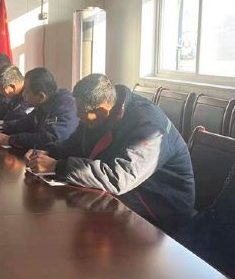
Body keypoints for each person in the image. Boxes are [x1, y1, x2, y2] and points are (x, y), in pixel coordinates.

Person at [25, 74, 195, 233]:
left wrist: (58, 167)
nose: (77, 115)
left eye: (81, 112)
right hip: (125, 195)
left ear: (101, 111)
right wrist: (49, 152)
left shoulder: (149, 127)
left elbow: (119, 177)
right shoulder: (99, 111)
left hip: (160, 209)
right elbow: (75, 143)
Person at [0, 67, 78, 148]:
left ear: (41, 96)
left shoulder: (65, 106)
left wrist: (9, 140)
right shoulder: (44, 103)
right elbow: (26, 123)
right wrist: (2, 127)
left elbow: (51, 139)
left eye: (27, 91)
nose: (23, 94)